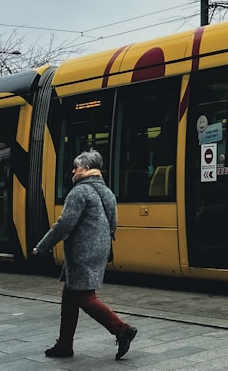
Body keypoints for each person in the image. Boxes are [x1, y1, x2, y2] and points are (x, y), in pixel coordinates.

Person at [32, 150, 138, 360]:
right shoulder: (107, 191)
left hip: (82, 251)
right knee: (70, 296)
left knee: (84, 297)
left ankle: (121, 329)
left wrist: (43, 246)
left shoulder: (79, 192)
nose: (73, 171)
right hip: (99, 249)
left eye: (76, 167)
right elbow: (113, 223)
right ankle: (64, 345)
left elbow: (65, 224)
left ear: (87, 169)